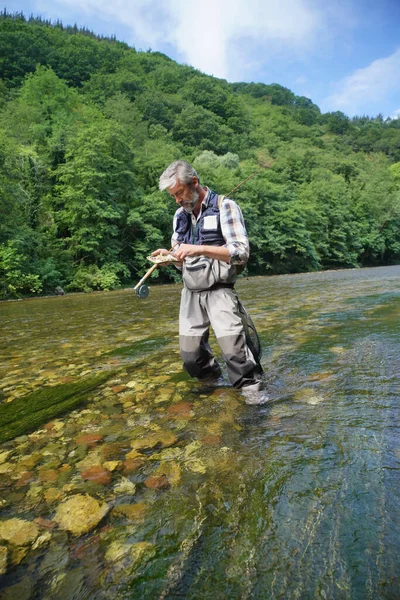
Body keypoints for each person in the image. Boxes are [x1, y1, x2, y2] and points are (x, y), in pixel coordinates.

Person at [152, 160, 265, 402]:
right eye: (173, 196)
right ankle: (214, 385)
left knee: (235, 352)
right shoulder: (179, 216)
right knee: (191, 356)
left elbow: (240, 253)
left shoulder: (226, 207)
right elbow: (181, 259)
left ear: (194, 183)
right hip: (191, 292)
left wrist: (199, 248)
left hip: (220, 290)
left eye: (179, 193)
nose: (177, 200)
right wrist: (168, 257)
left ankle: (253, 397)